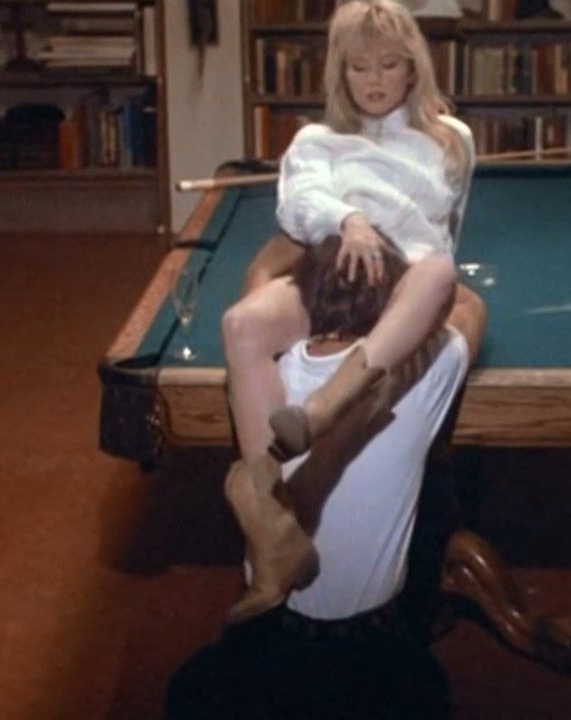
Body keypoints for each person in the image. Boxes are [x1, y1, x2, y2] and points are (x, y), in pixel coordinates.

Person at [221, 0, 479, 623]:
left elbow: (446, 233)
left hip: (402, 280)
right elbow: (299, 203)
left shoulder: (450, 140)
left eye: (388, 65)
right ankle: (271, 518)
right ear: (341, 72)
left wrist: (392, 246)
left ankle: (326, 406)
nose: (374, 80)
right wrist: (351, 219)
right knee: (241, 324)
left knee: (440, 272)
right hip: (328, 274)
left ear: (412, 68)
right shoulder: (317, 140)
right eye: (360, 67)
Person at [168, 236, 484, 720]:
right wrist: (397, 257)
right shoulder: (423, 371)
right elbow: (464, 302)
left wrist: (320, 233)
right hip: (368, 654)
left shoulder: (263, 371)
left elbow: (261, 269)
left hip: (270, 641)